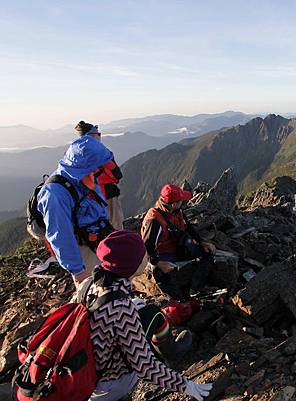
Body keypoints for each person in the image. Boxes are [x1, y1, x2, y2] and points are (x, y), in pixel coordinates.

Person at [78, 230, 212, 401]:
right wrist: (186, 386)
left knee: (150, 312)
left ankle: (170, 350)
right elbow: (145, 367)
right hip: (106, 384)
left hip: (88, 366)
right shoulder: (121, 309)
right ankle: (171, 353)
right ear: (132, 265)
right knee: (152, 322)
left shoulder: (91, 283)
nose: (146, 256)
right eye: (142, 254)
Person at [37, 128, 115, 283]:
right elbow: (60, 236)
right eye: (95, 169)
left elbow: (98, 205)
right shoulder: (55, 194)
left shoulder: (85, 177)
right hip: (81, 247)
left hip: (95, 237)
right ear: (83, 168)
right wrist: (78, 271)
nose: (98, 172)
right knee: (93, 290)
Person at [141, 184, 216, 301]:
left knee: (208, 253)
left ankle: (196, 289)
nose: (183, 202)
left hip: (177, 247)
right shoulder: (154, 220)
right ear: (174, 203)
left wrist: (201, 243)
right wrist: (159, 263)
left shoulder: (176, 210)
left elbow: (188, 228)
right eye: (181, 201)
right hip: (163, 253)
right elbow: (146, 248)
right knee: (159, 273)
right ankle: (178, 300)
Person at [75, 121, 125, 229]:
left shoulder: (74, 153)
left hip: (87, 197)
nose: (99, 136)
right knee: (116, 224)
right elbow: (116, 174)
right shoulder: (100, 152)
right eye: (98, 134)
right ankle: (118, 243)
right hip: (107, 194)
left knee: (97, 227)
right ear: (92, 135)